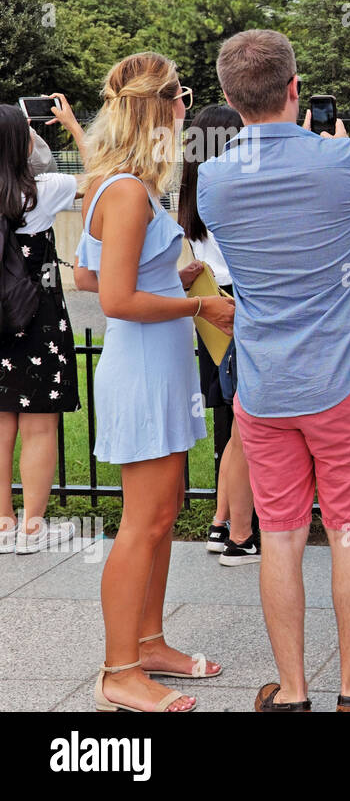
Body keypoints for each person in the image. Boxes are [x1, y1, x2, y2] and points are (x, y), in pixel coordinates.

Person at [199, 29, 350, 712]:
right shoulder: (345, 159)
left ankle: (292, 690)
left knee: (282, 537)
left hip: (264, 387)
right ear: (295, 89)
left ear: (233, 101)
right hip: (344, 378)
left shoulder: (212, 177)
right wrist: (336, 152)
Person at [74, 52, 235, 712]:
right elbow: (112, 299)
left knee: (163, 517)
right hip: (142, 372)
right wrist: (199, 303)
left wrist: (168, 284)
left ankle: (150, 642)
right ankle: (118, 671)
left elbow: (93, 276)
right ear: (161, 107)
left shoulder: (115, 186)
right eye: (182, 97)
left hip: (155, 369)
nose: (186, 108)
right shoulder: (129, 192)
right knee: (142, 524)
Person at [178, 104, 259, 566]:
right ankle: (235, 527)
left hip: (208, 305)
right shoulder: (231, 187)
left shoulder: (192, 190)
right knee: (244, 420)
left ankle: (220, 520)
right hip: (237, 303)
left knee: (229, 417)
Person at [0, 105, 81, 554]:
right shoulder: (44, 190)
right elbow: (107, 175)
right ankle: (32, 527)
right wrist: (71, 126)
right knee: (38, 426)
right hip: (36, 319)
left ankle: (1, 523)